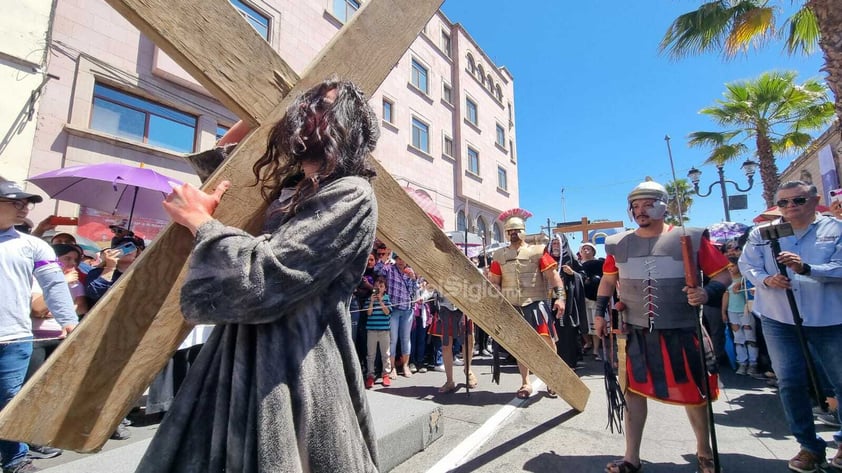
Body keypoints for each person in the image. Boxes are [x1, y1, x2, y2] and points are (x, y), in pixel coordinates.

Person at [135, 78, 381, 473]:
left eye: (322, 106)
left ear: (346, 125)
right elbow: (221, 157)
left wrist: (200, 222)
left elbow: (268, 278)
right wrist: (274, 103)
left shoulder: (352, 193)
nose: (306, 111)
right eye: (307, 104)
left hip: (300, 366)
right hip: (236, 356)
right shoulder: (289, 186)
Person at [594, 178, 730, 473]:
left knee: (695, 394)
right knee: (632, 392)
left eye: (648, 205)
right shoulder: (617, 243)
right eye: (636, 206)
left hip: (683, 328)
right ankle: (631, 457)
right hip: (635, 330)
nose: (640, 211)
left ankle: (704, 452)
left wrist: (707, 293)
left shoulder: (690, 237)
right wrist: (600, 313)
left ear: (664, 207)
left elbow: (723, 275)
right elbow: (608, 280)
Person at [738, 180, 842, 473]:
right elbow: (749, 265)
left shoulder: (835, 229)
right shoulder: (762, 234)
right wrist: (766, 279)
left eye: (798, 200)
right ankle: (809, 446)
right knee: (790, 382)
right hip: (778, 317)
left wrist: (808, 269)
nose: (790, 207)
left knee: (841, 381)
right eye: (783, 203)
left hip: (828, 318)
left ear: (815, 199)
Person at [0, 180, 78, 473]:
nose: (24, 208)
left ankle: (16, 460)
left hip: (15, 338)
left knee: (10, 401)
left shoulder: (33, 245)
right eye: (15, 202)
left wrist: (69, 321)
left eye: (26, 203)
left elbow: (55, 285)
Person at [488, 208, 565, 399]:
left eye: (516, 230)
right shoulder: (498, 255)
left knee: (547, 342)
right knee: (521, 346)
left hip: (536, 303)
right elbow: (494, 281)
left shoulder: (537, 251)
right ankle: (525, 382)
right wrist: (495, 292)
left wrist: (561, 297)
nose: (513, 234)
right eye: (509, 231)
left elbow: (553, 276)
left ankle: (552, 379)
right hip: (513, 306)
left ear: (523, 230)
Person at [374, 251, 418, 379]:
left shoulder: (410, 271)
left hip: (407, 309)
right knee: (392, 340)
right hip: (393, 310)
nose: (400, 261)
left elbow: (413, 291)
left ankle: (405, 366)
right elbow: (377, 270)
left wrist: (413, 278)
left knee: (406, 339)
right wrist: (384, 257)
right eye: (398, 258)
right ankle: (392, 367)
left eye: (403, 259)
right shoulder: (389, 269)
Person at [720, 263, 759, 376]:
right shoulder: (727, 280)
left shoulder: (745, 279)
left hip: (746, 310)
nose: (730, 269)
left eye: (732, 266)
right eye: (728, 267)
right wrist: (723, 311)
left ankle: (753, 364)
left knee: (750, 337)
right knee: (738, 338)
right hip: (732, 312)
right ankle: (742, 363)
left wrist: (743, 287)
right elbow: (726, 295)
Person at [365, 276, 392, 389]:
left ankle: (385, 374)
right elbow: (368, 313)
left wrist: (380, 301)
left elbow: (387, 312)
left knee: (385, 354)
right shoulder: (369, 299)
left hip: (384, 331)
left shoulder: (387, 298)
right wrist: (372, 301)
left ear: (385, 288)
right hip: (371, 331)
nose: (378, 288)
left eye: (381, 286)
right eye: (376, 286)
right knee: (371, 355)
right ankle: (370, 375)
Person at [580, 241, 604, 359]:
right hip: (582, 298)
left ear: (593, 251)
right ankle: (588, 342)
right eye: (583, 249)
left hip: (595, 297)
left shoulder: (599, 263)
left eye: (588, 248)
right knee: (584, 322)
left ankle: (596, 350)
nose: (585, 250)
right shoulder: (578, 264)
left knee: (596, 324)